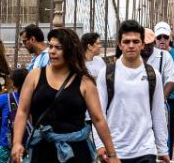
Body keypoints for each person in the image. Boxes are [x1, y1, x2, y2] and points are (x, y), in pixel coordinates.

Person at [11, 27, 118, 163]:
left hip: (76, 153)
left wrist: (112, 154)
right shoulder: (34, 76)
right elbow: (22, 111)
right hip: (42, 151)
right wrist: (16, 143)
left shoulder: (85, 82)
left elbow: (98, 119)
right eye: (50, 46)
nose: (52, 51)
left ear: (70, 51)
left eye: (58, 48)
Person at [95, 20, 170, 163]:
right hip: (114, 151)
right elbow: (98, 114)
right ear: (119, 44)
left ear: (142, 44)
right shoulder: (106, 74)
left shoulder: (153, 75)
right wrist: (100, 145)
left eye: (136, 41)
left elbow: (158, 114)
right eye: (126, 41)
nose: (131, 45)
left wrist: (162, 149)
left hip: (145, 150)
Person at [150, 22, 174, 158]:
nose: (162, 40)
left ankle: (168, 158)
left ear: (170, 38)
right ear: (154, 39)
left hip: (171, 103)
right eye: (159, 37)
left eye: (165, 37)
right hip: (148, 105)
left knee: (168, 137)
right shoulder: (145, 55)